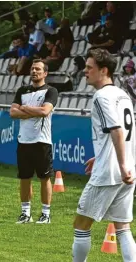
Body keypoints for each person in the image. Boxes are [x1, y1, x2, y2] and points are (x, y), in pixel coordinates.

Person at [72, 48, 136, 262]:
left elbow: (117, 130)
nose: (85, 71)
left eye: (90, 67)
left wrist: (118, 164)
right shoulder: (122, 95)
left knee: (81, 224)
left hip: (110, 172)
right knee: (123, 228)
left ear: (104, 70)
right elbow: (122, 134)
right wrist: (103, 157)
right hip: (126, 171)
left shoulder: (102, 96)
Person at [9, 59, 58, 224]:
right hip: (24, 141)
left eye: (37, 69)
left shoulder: (51, 91)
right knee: (24, 178)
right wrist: (31, 111)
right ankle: (25, 213)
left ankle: (46, 214)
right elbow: (12, 113)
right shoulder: (22, 90)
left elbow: (45, 111)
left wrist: (24, 108)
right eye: (32, 69)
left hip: (42, 141)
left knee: (45, 178)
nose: (34, 71)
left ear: (45, 73)